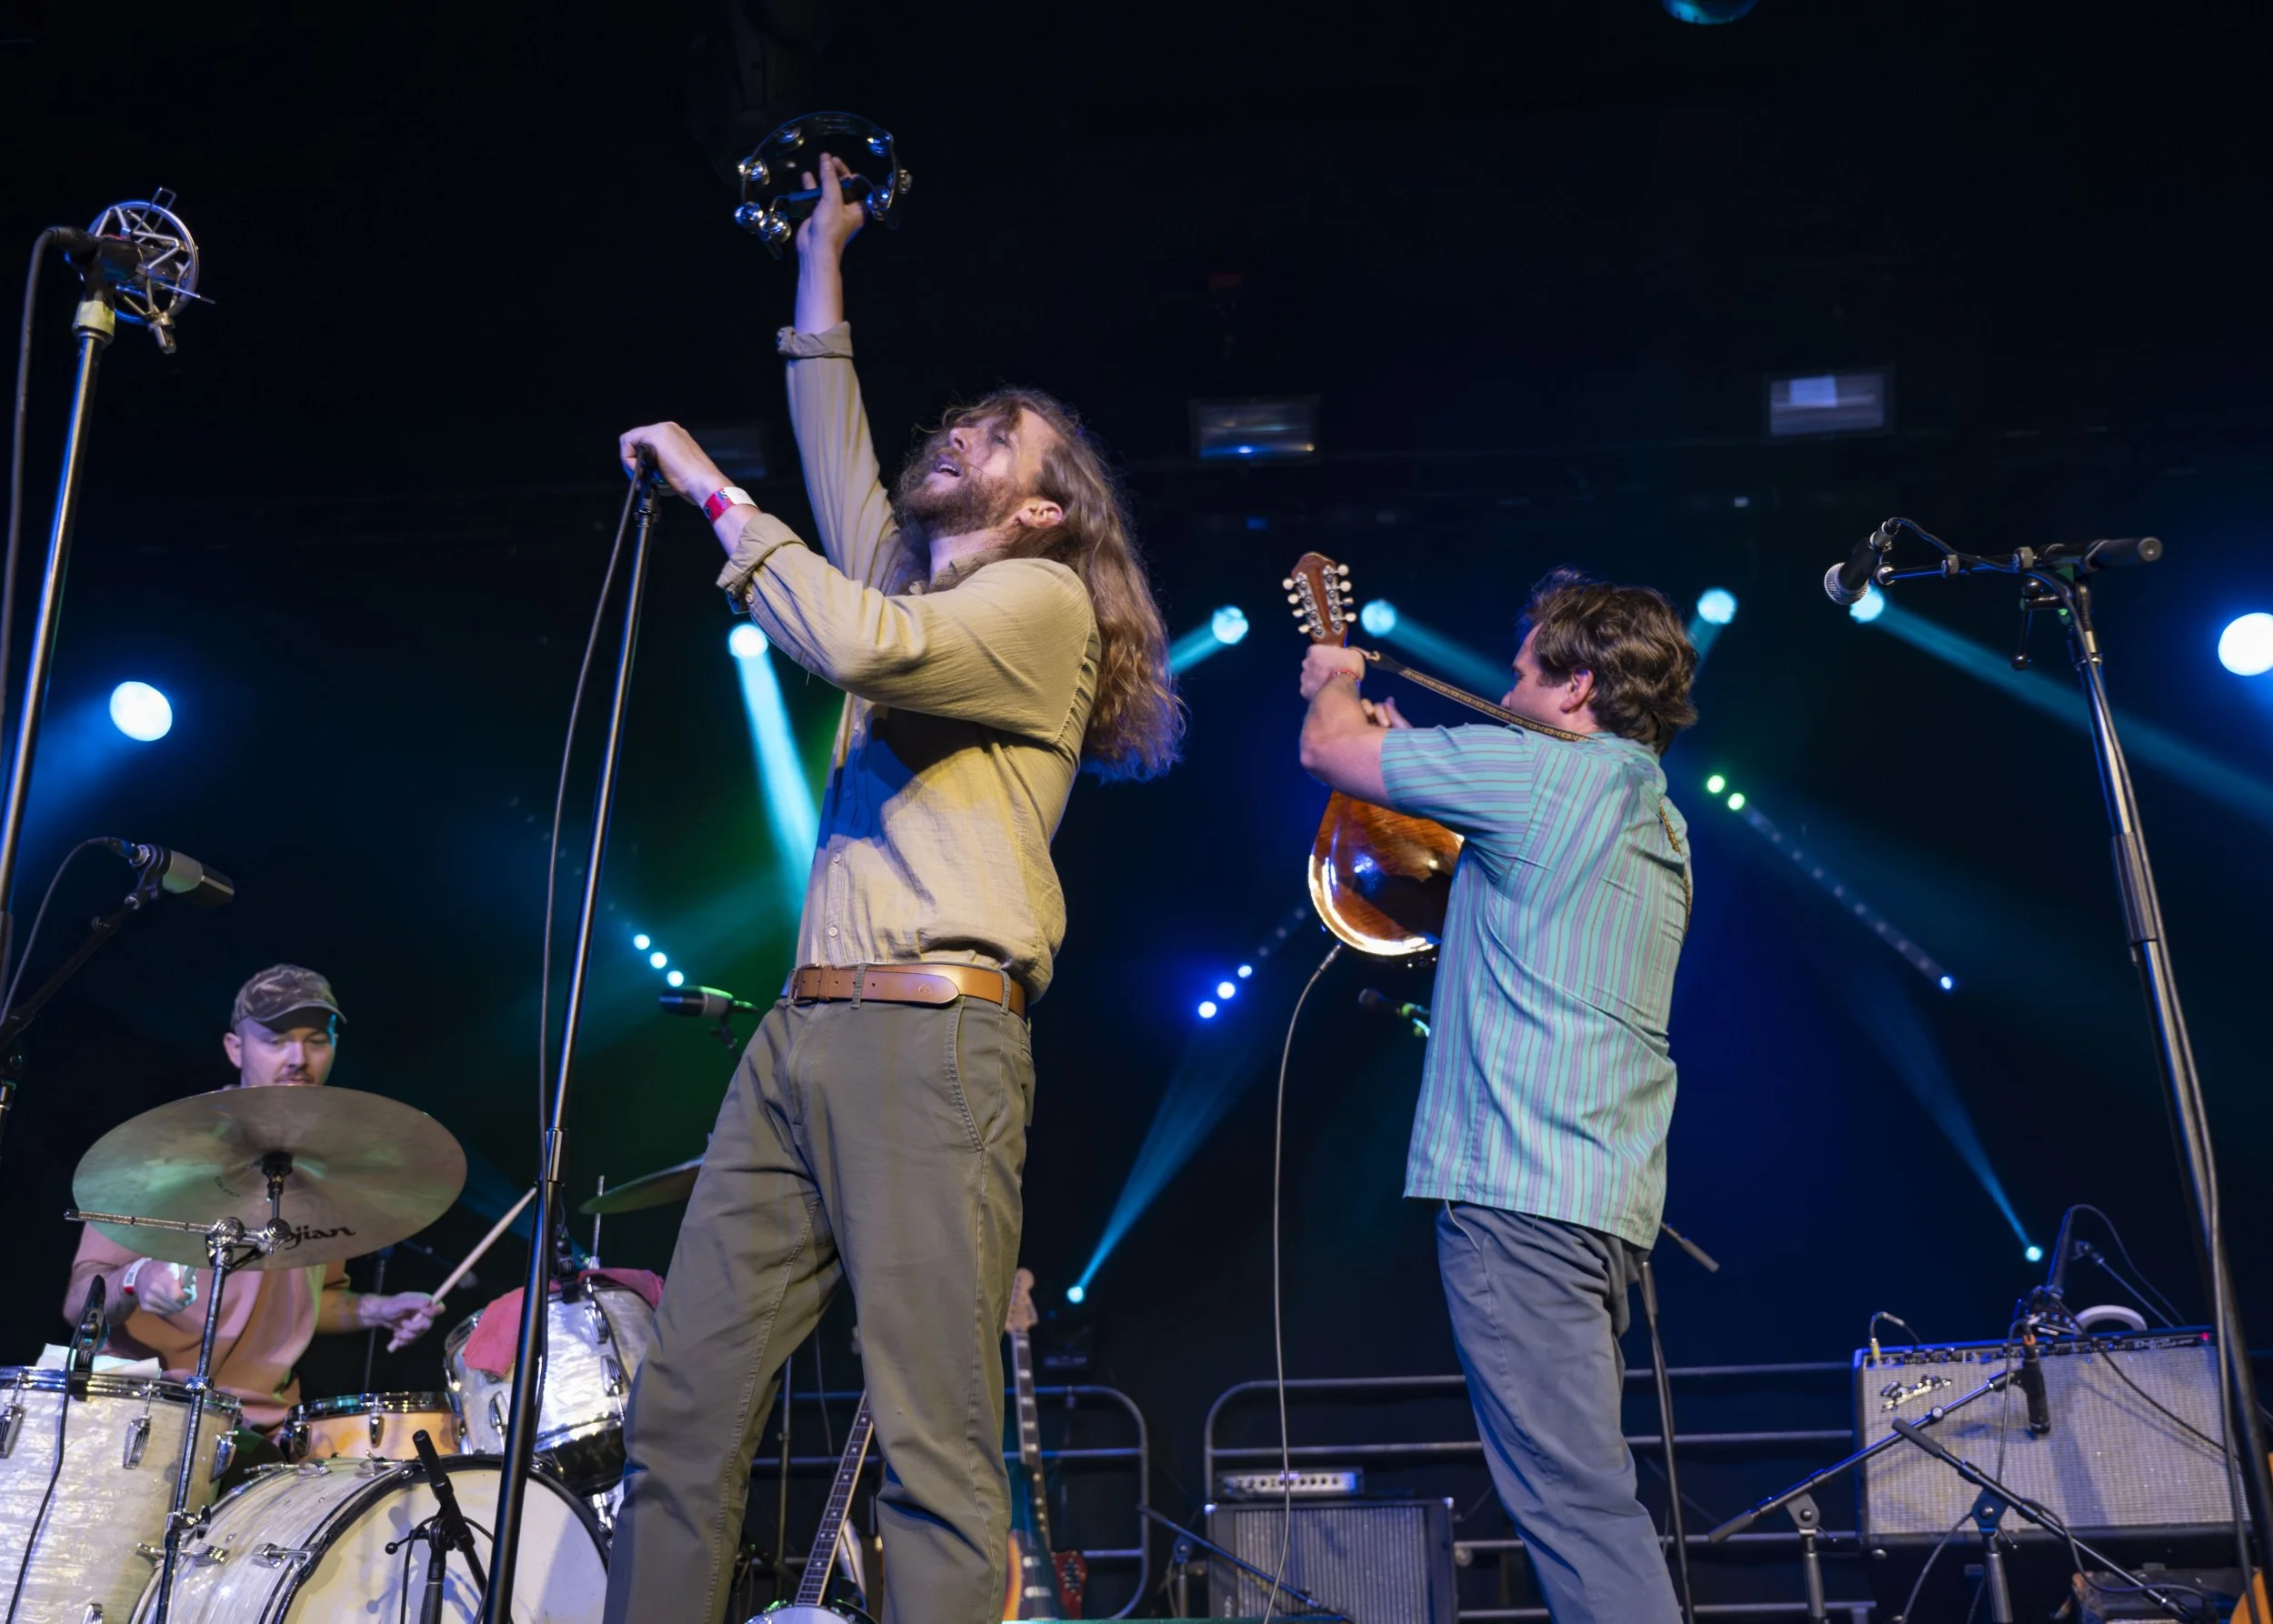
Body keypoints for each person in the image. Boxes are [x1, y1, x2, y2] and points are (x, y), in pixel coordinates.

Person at [606, 152, 1180, 1624]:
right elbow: (835, 431)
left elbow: (861, 643)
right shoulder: (920, 582)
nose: (961, 436)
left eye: (998, 439)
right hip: (800, 1032)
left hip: (935, 1036)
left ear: (1044, 509)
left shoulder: (1038, 603)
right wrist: (824, 251)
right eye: (963, 422)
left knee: (932, 1439)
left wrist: (712, 493)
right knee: (680, 1413)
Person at [1297, 569, 1698, 1623]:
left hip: (1516, 1198)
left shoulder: (1539, 772)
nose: (1507, 687)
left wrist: (1331, 674)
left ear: (1577, 687)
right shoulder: (1656, 816)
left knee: (1576, 1509)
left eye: (1523, 670)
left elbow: (1327, 749)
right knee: (1588, 1496)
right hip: (1599, 1203)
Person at [61, 965, 444, 1434]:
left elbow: (311, 1303)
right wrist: (134, 1280)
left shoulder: (335, 1171)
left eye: (316, 1041)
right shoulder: (161, 1151)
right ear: (235, 1048)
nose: (298, 1059)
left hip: (263, 1429)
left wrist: (377, 1310)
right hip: (144, 1411)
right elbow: (78, 1304)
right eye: (276, 1040)